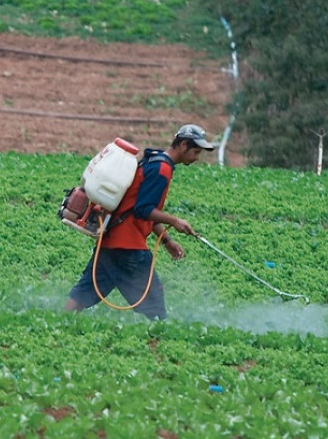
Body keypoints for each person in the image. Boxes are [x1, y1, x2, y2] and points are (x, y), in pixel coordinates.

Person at [65, 124, 216, 320]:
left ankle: (58, 324)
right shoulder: (162, 169)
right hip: (129, 248)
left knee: (82, 294)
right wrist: (175, 220)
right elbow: (143, 210)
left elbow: (137, 207)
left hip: (111, 242)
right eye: (195, 152)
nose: (196, 158)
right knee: (155, 310)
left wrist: (167, 241)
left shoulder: (153, 161)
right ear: (183, 145)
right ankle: (156, 346)